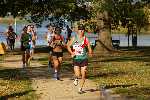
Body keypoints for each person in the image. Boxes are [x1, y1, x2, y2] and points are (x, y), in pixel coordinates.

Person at [67, 24, 92, 94]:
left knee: (83, 74)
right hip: (76, 59)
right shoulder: (74, 38)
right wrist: (72, 53)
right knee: (78, 74)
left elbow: (89, 47)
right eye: (80, 29)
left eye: (82, 30)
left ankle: (80, 88)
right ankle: (76, 78)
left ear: (84, 31)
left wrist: (90, 52)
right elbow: (68, 46)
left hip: (84, 58)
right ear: (78, 30)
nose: (81, 31)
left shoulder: (86, 39)